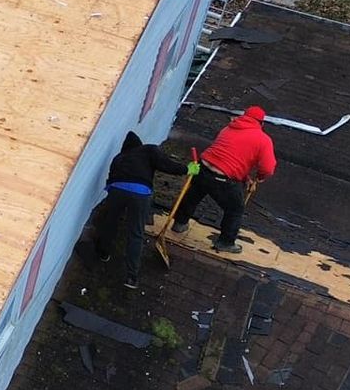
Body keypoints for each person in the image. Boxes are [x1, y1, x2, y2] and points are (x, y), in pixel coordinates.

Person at [92, 131, 194, 289]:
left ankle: (103, 253)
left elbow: (110, 179)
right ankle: (131, 277)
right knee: (136, 233)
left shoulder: (119, 158)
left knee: (110, 222)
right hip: (140, 193)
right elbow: (166, 164)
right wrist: (187, 169)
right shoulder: (148, 150)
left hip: (116, 189)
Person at [170, 106, 277, 254]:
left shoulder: (228, 128)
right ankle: (225, 242)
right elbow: (268, 167)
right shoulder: (264, 140)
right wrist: (259, 178)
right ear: (261, 123)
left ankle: (179, 223)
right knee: (235, 209)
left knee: (192, 196)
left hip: (203, 167)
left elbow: (227, 155)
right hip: (222, 179)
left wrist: (245, 177)